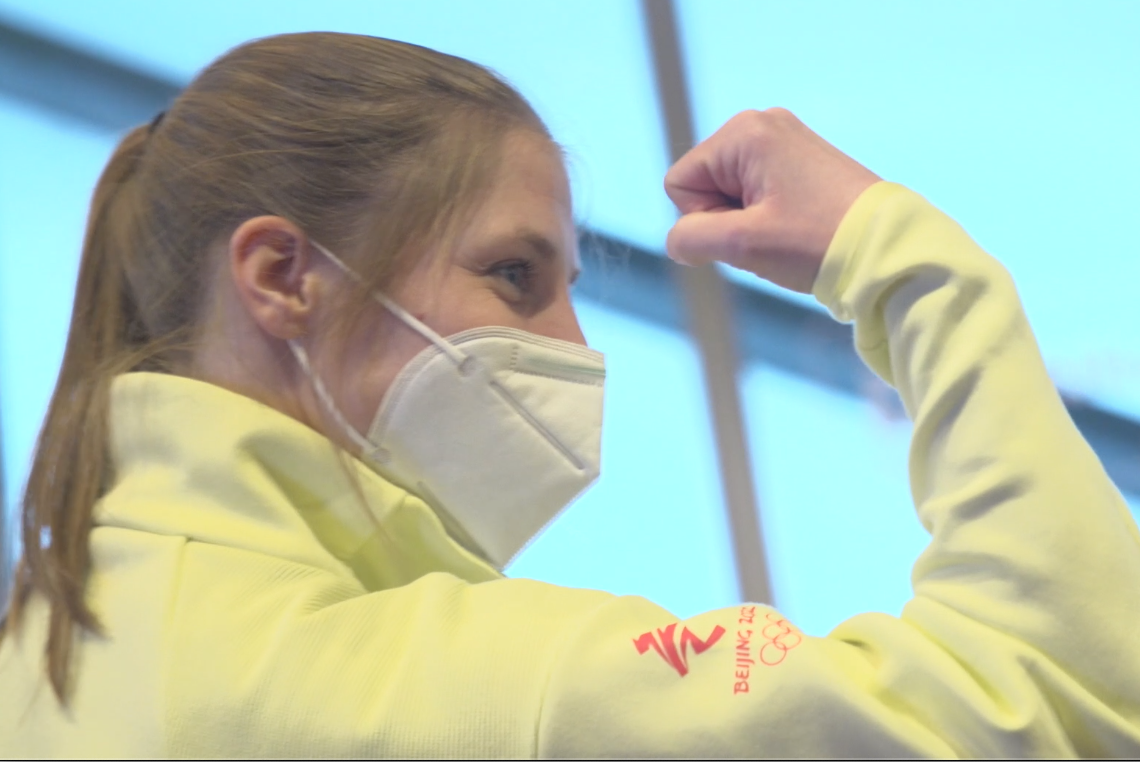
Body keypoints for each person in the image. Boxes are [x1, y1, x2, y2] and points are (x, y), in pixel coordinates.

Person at [1, 30, 1138, 759]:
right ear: (281, 277)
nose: (576, 349)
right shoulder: (470, 690)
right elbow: (1062, 694)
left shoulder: (39, 665)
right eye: (514, 276)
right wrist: (913, 267)